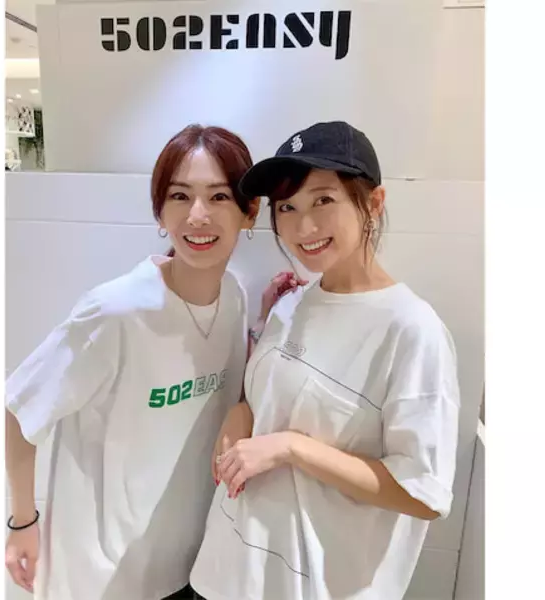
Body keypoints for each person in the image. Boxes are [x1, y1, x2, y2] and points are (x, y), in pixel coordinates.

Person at [4, 124, 299, 600]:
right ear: (160, 212)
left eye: (219, 197)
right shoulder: (115, 312)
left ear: (249, 213)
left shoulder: (235, 296)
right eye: (180, 196)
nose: (197, 215)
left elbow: (220, 384)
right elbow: (19, 410)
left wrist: (266, 321)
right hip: (100, 579)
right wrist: (22, 522)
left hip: (190, 565)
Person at [190, 121, 461, 600]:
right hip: (227, 571)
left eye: (323, 200)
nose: (303, 227)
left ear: (373, 203)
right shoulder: (291, 304)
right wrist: (241, 413)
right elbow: (270, 399)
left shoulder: (411, 330)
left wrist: (293, 448)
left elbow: (421, 493)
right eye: (287, 207)